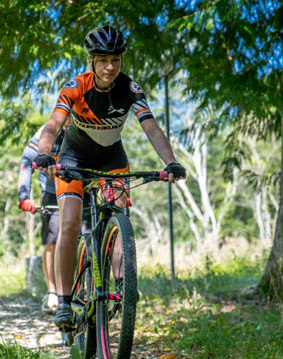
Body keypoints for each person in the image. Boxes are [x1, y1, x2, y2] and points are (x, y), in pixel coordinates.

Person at [34, 26, 187, 328]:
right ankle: (64, 302)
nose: (109, 67)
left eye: (115, 60)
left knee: (119, 214)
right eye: (102, 60)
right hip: (73, 157)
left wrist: (171, 162)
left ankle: (123, 283)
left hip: (112, 158)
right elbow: (53, 125)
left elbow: (151, 128)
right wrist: (44, 154)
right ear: (90, 60)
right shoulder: (74, 86)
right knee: (69, 223)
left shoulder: (130, 90)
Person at [17, 117, 69, 314]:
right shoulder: (47, 132)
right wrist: (24, 196)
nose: (72, 121)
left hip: (80, 186)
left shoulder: (86, 127)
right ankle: (53, 292)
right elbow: (26, 160)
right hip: (51, 191)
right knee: (53, 240)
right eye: (68, 117)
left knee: (88, 233)